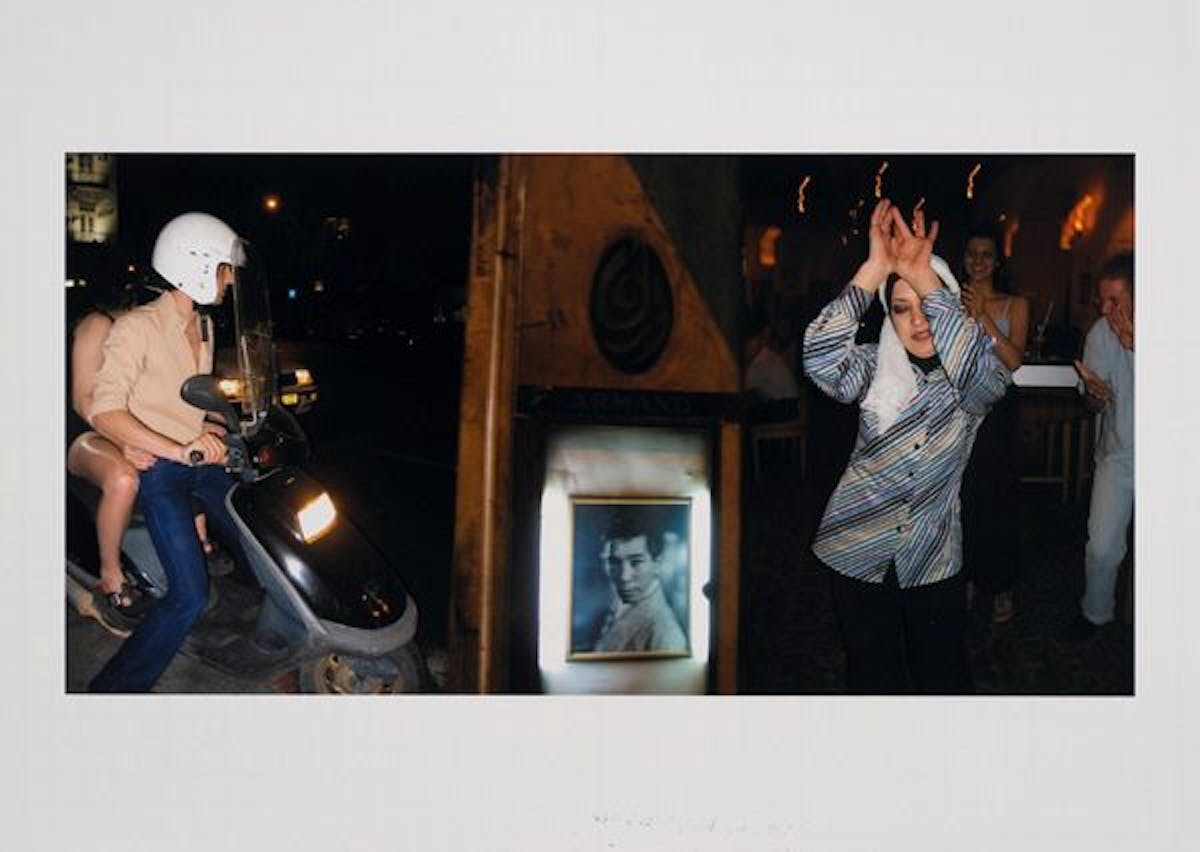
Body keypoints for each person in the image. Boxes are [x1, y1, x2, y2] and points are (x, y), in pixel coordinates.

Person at [803, 199, 1009, 694]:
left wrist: (924, 279)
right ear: (889, 317)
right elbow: (820, 361)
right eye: (901, 308)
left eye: (927, 306)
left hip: (932, 552)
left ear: (946, 304)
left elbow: (987, 384)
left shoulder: (974, 373)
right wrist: (875, 269)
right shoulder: (874, 367)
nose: (918, 321)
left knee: (943, 676)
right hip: (856, 545)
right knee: (871, 676)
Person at [86, 211, 248, 693]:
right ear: (195, 265)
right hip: (161, 470)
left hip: (199, 462)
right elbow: (104, 410)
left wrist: (221, 425)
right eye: (224, 269)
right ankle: (113, 690)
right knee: (188, 596)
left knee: (259, 525)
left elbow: (192, 402)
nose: (230, 280)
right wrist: (179, 450)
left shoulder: (205, 325)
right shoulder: (136, 328)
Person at [958, 225, 1030, 624]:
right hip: (959, 409)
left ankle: (1001, 585)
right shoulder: (950, 301)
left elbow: (1014, 360)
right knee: (962, 498)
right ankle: (968, 576)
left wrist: (982, 316)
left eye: (986, 254)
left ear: (997, 261)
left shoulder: (1015, 304)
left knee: (998, 502)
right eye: (972, 253)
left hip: (998, 410)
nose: (978, 261)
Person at [1066, 251, 1134, 640]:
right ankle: (1095, 613)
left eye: (1115, 300)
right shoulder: (1100, 334)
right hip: (1118, 455)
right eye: (1102, 300)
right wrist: (1094, 395)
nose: (1105, 309)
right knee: (1102, 546)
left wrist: (1138, 349)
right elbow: (1092, 405)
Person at [591, 511, 688, 654]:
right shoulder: (618, 605)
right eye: (614, 562)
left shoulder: (666, 636)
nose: (624, 576)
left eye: (636, 562)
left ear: (657, 564)